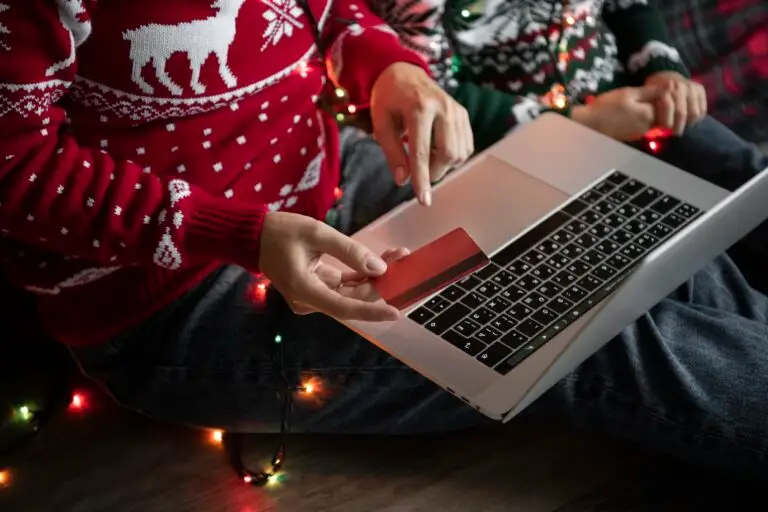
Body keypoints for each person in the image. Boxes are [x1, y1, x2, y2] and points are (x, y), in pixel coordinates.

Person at [355, 0, 768, 478]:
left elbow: (631, 9)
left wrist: (661, 69)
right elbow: (442, 97)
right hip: (536, 149)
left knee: (747, 178)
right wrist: (580, 121)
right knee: (637, 277)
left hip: (641, 112)